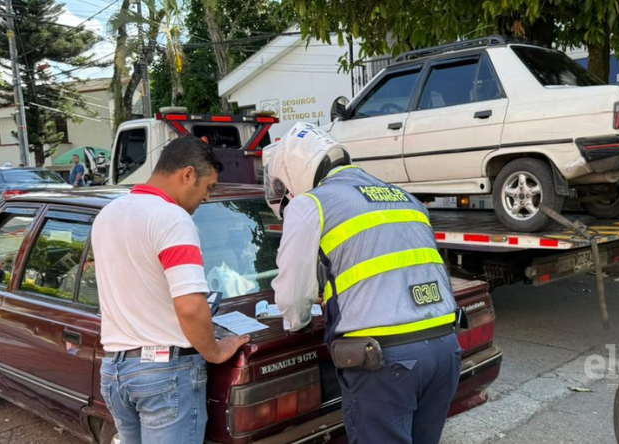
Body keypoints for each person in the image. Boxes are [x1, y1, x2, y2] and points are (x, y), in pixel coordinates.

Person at [265, 123, 462, 444]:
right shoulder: (403, 196)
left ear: (292, 173)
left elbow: (292, 295)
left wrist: (297, 322)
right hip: (444, 349)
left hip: (385, 362)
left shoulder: (311, 203)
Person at [92, 135, 250, 444]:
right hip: (164, 375)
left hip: (115, 369)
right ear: (188, 174)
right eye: (208, 187)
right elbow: (190, 305)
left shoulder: (108, 215)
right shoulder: (172, 218)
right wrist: (216, 351)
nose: (206, 198)